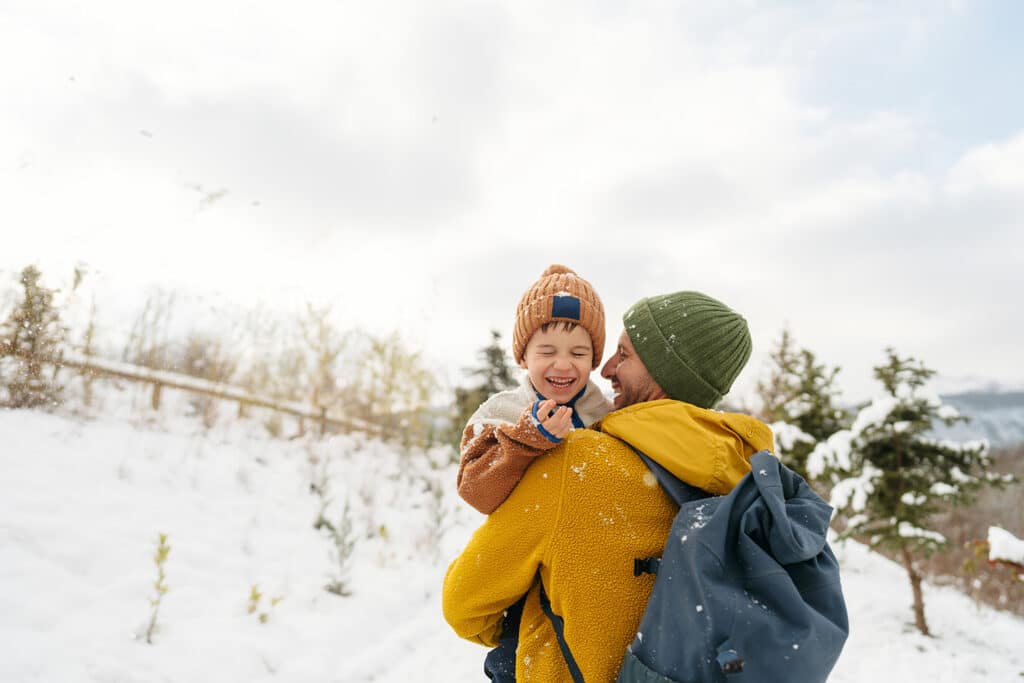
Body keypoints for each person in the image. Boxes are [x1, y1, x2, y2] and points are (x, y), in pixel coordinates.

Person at [443, 289, 775, 682]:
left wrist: (525, 622)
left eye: (624, 354)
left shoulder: (577, 463)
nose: (606, 369)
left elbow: (464, 604)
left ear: (661, 370)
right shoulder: (749, 475)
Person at [456, 264, 612, 680]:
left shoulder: (607, 417)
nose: (563, 365)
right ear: (523, 355)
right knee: (517, 665)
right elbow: (476, 491)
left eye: (579, 353)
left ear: (594, 359)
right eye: (547, 352)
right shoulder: (500, 415)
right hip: (526, 584)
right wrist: (526, 440)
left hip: (592, 585)